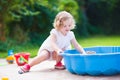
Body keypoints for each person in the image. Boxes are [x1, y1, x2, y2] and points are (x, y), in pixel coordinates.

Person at [18, 11, 86, 74]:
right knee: (44, 55)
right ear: (58, 25)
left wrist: (83, 52)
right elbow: (52, 43)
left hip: (58, 53)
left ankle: (58, 63)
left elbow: (76, 45)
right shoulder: (55, 32)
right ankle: (28, 66)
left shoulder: (70, 34)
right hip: (48, 49)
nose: (67, 28)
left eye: (69, 25)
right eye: (64, 26)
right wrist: (57, 50)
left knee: (63, 50)